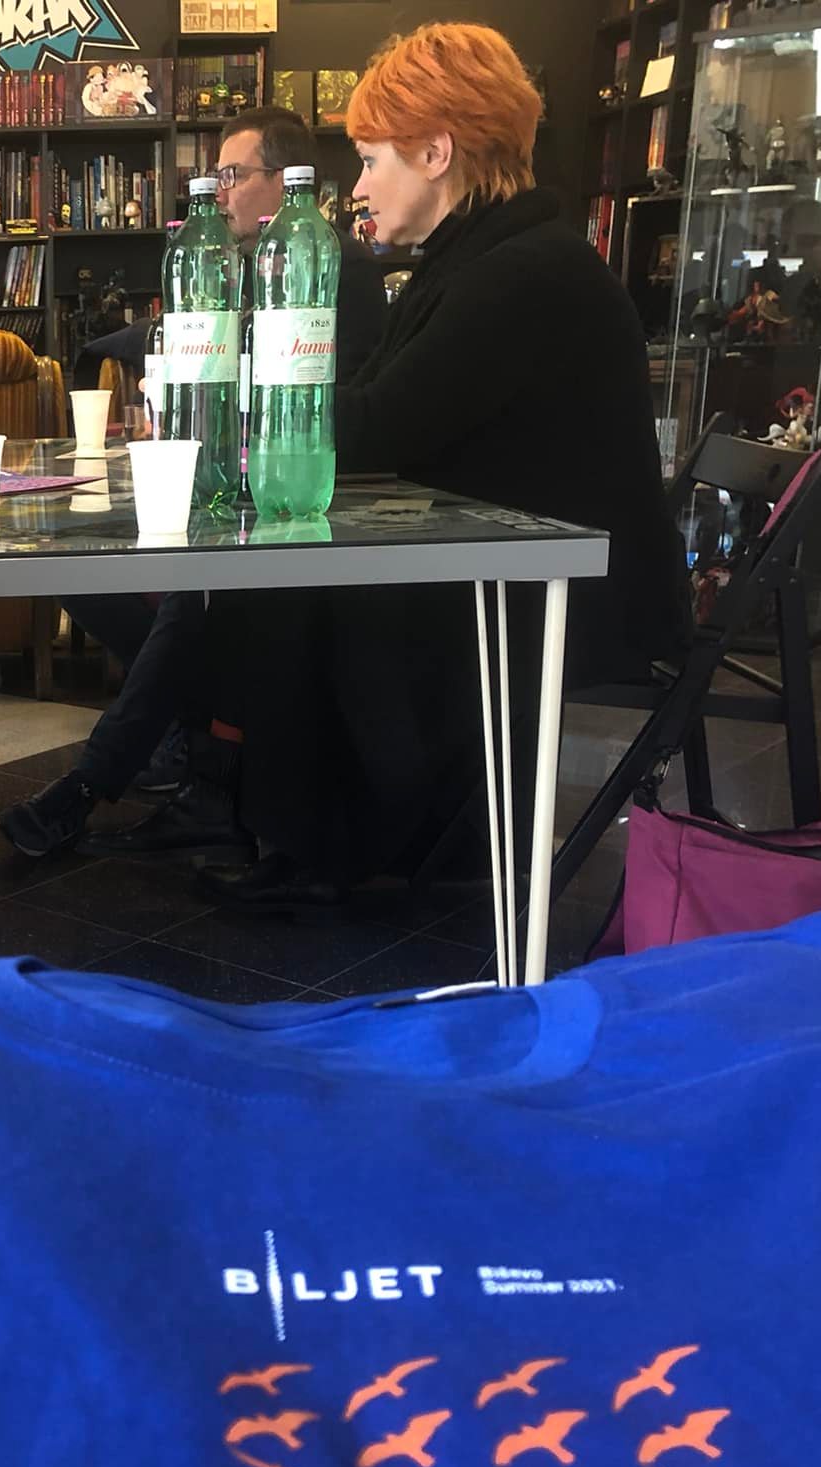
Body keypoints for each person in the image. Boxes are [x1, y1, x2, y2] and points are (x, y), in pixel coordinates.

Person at [200, 23, 690, 908]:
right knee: (281, 580)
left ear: (435, 152)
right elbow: (376, 405)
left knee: (288, 590)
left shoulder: (520, 273)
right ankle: (330, 838)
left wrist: (225, 395)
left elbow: (377, 425)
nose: (357, 187)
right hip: (508, 555)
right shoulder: (479, 259)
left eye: (370, 160)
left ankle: (331, 849)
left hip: (564, 588)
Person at [0, 106, 388, 859]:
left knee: (195, 591)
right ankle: (185, 730)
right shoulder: (228, 266)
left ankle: (95, 785)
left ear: (285, 179)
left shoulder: (337, 266)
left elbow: (332, 404)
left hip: (301, 506)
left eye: (234, 174)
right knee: (77, 566)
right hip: (224, 489)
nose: (219, 190)